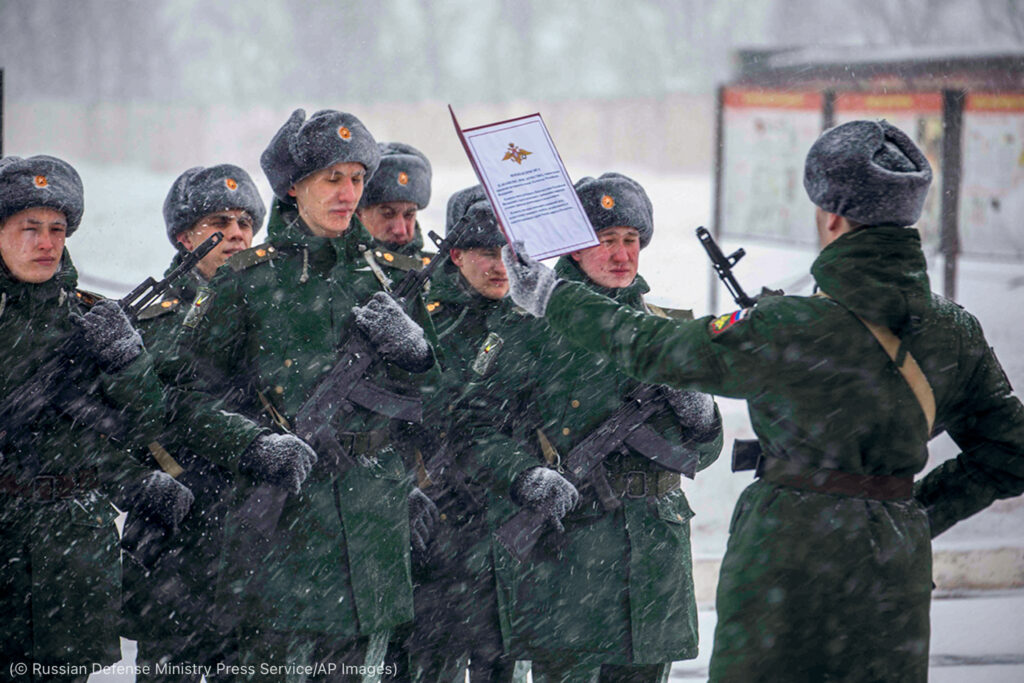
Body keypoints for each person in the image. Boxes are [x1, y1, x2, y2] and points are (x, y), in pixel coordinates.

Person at [501, 120, 1024, 682]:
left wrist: (554, 299)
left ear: (832, 215)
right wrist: (913, 513)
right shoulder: (955, 332)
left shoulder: (790, 327)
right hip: (892, 571)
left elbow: (656, 347)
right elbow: (1010, 452)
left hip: (784, 564)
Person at [170, 109, 439, 681]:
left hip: (372, 532)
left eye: (357, 179)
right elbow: (187, 403)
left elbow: (437, 406)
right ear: (295, 187)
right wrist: (254, 446)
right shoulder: (247, 281)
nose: (348, 193)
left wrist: (417, 355)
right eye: (331, 179)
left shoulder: (385, 278)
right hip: (285, 538)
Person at [454, 173, 723, 682]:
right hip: (571, 553)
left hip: (653, 560)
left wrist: (700, 415)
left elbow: (704, 454)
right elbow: (472, 427)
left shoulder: (668, 326)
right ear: (575, 251)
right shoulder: (528, 325)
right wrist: (526, 477)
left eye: (632, 241)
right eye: (606, 241)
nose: (622, 255)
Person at [0, 154, 192, 681]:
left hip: (74, 546)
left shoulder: (89, 316)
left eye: (57, 229)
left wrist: (128, 361)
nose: (45, 242)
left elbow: (149, 421)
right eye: (28, 228)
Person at [120, 164, 266, 681]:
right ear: (184, 237)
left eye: (246, 223)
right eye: (218, 222)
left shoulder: (270, 310)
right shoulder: (147, 319)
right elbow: (130, 423)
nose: (236, 234)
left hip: (253, 534)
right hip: (177, 532)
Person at [392, 185, 519, 682]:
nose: (499, 266)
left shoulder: (533, 325)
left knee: (504, 665)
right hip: (439, 533)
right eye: (487, 253)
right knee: (429, 665)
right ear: (456, 254)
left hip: (510, 530)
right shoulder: (426, 321)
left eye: (509, 254)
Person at [356, 141, 434, 267]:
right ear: (358, 214)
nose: (400, 230)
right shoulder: (337, 272)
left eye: (409, 215)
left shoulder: (439, 271)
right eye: (387, 214)